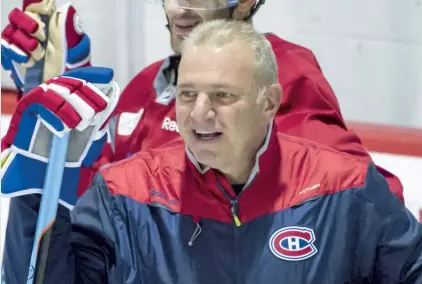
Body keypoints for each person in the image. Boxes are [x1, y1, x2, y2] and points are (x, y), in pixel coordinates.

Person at [1, 0, 406, 278]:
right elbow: (106, 220)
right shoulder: (145, 89)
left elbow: (362, 209)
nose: (176, 8)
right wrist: (62, 130)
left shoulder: (286, 76)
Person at [3, 19, 422, 283]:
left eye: (222, 95)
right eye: (187, 95)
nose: (200, 114)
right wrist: (37, 197)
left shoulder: (346, 188)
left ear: (270, 101)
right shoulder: (122, 195)